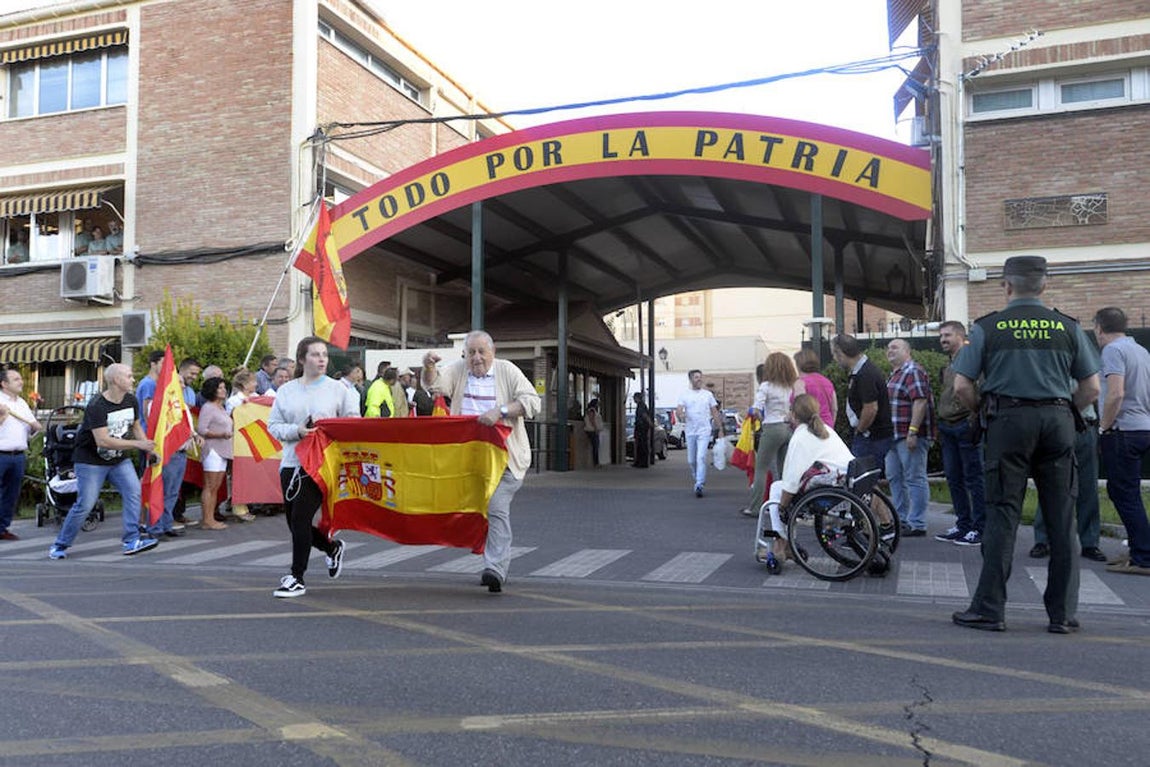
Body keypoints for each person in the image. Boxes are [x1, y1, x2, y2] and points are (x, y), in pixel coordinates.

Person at [950, 255, 1100, 633]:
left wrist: (983, 411)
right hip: (1058, 422)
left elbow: (962, 386)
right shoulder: (1068, 326)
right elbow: (1093, 387)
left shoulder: (987, 327)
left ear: (1006, 286)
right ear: (1044, 285)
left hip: (1007, 422)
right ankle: (1062, 615)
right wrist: (1066, 410)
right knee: (1062, 519)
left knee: (1002, 515)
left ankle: (990, 609)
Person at [421, 330, 542, 592]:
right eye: (471, 353)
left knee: (496, 507)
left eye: (481, 352)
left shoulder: (507, 370)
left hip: (507, 459)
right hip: (471, 462)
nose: (476, 358)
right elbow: (435, 386)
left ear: (493, 352)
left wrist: (501, 411)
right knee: (472, 511)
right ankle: (482, 546)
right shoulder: (459, 369)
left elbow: (532, 402)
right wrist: (428, 367)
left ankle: (495, 569)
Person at [266, 336, 359, 598]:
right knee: (294, 522)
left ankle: (297, 577)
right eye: (316, 354)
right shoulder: (287, 390)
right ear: (302, 359)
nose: (322, 359)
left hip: (321, 464)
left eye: (324, 355)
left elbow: (353, 422)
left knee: (300, 519)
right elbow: (273, 426)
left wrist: (328, 425)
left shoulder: (338, 389)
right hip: (291, 463)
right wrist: (298, 430)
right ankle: (331, 548)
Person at [49, 364, 160, 559]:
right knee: (86, 504)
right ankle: (60, 545)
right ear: (116, 380)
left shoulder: (131, 400)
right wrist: (138, 445)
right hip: (90, 461)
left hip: (118, 459)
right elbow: (103, 440)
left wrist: (148, 448)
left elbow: (135, 426)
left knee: (134, 492)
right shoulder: (97, 405)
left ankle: (131, 540)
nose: (133, 379)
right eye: (129, 376)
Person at [758, 394, 854, 574]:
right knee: (783, 490)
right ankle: (785, 544)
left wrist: (783, 507)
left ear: (794, 415)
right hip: (846, 482)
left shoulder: (799, 438)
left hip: (828, 488)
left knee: (777, 489)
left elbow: (791, 481)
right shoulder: (826, 430)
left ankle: (781, 544)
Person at [1093, 306, 1150, 576]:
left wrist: (1103, 428)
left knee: (1124, 494)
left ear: (1098, 327)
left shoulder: (1112, 350)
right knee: (1126, 493)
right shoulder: (1141, 351)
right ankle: (1139, 548)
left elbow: (1115, 394)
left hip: (1122, 430)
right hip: (1143, 428)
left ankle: (1143, 556)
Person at [1030, 398, 1104, 561]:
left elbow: (1095, 394)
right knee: (1051, 484)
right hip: (1062, 423)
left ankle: (1089, 542)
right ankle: (1043, 539)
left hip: (1079, 423)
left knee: (1086, 487)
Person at [935, 321, 986, 547]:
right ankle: (963, 524)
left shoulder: (971, 359)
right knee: (954, 478)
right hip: (948, 426)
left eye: (947, 335)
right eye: (941, 336)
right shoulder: (951, 362)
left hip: (965, 425)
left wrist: (973, 416)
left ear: (960, 336)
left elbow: (978, 390)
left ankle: (980, 528)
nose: (943, 339)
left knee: (974, 478)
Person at [741, 352, 804, 517]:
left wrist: (759, 417)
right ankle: (785, 505)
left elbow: (756, 409)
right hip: (788, 428)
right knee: (784, 470)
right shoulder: (790, 386)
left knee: (761, 468)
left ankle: (755, 508)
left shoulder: (766, 386)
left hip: (772, 428)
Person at [885, 338, 935, 537]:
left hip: (909, 435)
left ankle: (917, 523)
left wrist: (913, 431)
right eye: (888, 347)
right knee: (895, 478)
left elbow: (920, 402)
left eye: (895, 347)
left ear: (907, 351)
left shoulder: (913, 371)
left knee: (915, 478)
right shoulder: (895, 374)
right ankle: (901, 520)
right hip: (894, 436)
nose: (890, 350)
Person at [0, 367, 43, 540]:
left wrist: (35, 428)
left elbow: (29, 428)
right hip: (1, 455)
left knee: (11, 494)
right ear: (4, 384)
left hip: (18, 456)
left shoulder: (22, 403)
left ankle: (2, 528)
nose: (21, 382)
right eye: (16, 379)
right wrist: (2, 417)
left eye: (20, 378)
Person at [196, 377, 239, 530]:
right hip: (213, 450)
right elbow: (202, 429)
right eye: (220, 388)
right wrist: (220, 435)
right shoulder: (208, 407)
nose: (223, 390)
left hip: (223, 450)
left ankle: (210, 518)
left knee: (215, 487)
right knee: (210, 486)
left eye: (224, 387)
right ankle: (207, 520)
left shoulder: (221, 408)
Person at [676, 369, 722, 498]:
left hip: (704, 431)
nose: (699, 379)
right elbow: (679, 410)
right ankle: (697, 477)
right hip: (690, 431)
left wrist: (720, 429)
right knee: (691, 461)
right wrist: (681, 415)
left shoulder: (707, 395)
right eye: (696, 377)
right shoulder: (684, 395)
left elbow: (714, 412)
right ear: (691, 379)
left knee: (701, 457)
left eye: (700, 377)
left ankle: (699, 484)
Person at [793, 348, 836, 427]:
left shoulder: (800, 383)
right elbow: (834, 408)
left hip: (809, 427)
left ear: (799, 365)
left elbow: (799, 409)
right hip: (827, 425)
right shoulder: (827, 382)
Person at [631, 393, 652, 468]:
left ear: (637, 398)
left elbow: (644, 415)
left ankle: (643, 462)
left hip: (642, 428)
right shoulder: (641, 405)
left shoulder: (641, 406)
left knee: (642, 445)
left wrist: (650, 423)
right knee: (640, 445)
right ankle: (639, 462)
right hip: (641, 427)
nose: (634, 399)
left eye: (634, 398)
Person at [584, 398, 604, 468]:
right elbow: (592, 420)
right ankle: (596, 463)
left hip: (593, 430)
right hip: (592, 431)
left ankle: (596, 462)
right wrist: (596, 429)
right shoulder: (591, 410)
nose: (598, 405)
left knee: (596, 447)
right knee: (595, 447)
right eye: (598, 403)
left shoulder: (593, 410)